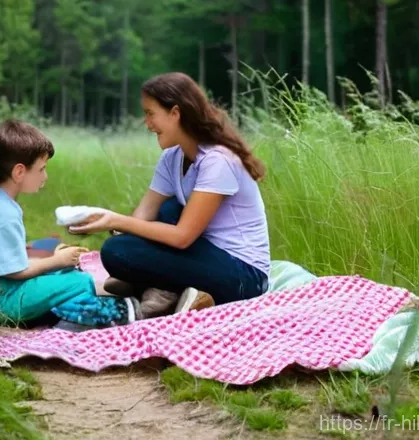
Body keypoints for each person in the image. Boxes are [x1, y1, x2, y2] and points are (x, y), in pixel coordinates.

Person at [69, 72, 270, 318]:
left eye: (151, 113)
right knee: (161, 216)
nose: (147, 123)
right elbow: (145, 215)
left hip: (243, 276)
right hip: (205, 257)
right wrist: (99, 220)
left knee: (118, 250)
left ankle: (158, 285)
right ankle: (166, 287)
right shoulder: (172, 158)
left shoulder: (218, 160)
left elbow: (183, 237)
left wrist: (115, 220)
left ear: (175, 113)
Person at [0, 120, 141, 328]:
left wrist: (48, 249)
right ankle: (103, 314)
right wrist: (57, 260)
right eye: (41, 169)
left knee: (61, 269)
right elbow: (14, 271)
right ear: (19, 172)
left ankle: (65, 310)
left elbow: (5, 252)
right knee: (80, 281)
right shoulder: (2, 216)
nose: (45, 176)